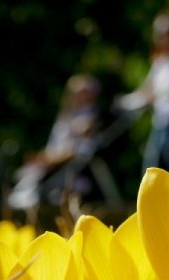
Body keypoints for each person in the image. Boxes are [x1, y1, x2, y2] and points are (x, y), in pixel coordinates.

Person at [116, 11, 169, 179]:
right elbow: (148, 87)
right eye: (158, 34)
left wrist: (158, 95)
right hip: (162, 121)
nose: (160, 38)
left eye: (165, 33)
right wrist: (129, 101)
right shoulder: (160, 60)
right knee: (152, 164)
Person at [9, 74, 101, 210]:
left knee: (36, 174)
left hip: (67, 163)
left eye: (84, 93)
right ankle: (19, 204)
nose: (80, 96)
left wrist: (49, 158)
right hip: (52, 159)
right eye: (77, 93)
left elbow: (76, 150)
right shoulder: (66, 115)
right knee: (26, 174)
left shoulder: (91, 117)